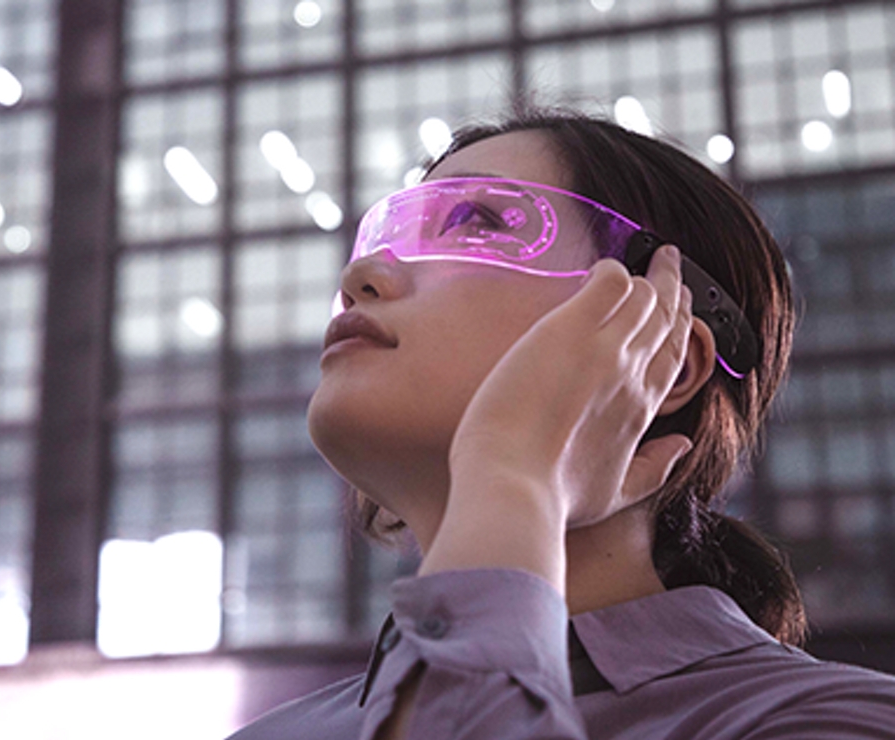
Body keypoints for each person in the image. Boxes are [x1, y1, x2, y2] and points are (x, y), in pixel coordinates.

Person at [226, 109, 895, 739]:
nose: (360, 274)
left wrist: (512, 477)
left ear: (664, 354)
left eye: (476, 223)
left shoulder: (824, 720)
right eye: (386, 236)